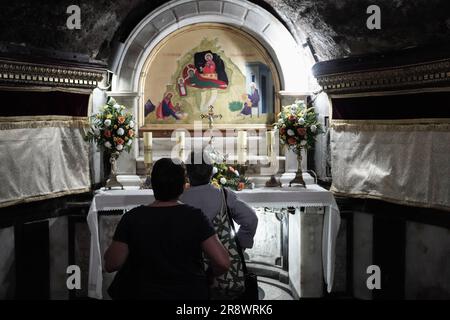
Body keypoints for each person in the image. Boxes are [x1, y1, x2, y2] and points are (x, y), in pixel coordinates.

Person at [104, 158, 230, 300]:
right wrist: (209, 275)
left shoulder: (132, 218)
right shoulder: (195, 217)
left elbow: (111, 263)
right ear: (183, 186)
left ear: (152, 184)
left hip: (143, 294)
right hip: (187, 295)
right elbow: (223, 262)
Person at [181, 151, 258, 250]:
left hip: (187, 260)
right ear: (211, 172)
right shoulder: (224, 195)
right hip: (220, 258)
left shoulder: (178, 198)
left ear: (187, 173)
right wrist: (238, 246)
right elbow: (251, 219)